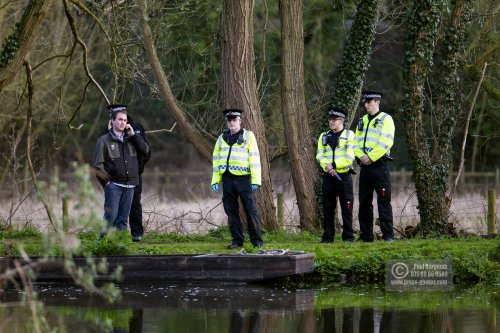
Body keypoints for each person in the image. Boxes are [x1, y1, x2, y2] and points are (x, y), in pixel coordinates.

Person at [93, 104, 150, 236]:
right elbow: (98, 165)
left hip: (131, 183)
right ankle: (102, 245)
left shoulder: (132, 136)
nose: (122, 122)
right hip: (114, 184)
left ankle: (121, 246)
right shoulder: (104, 139)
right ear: (112, 120)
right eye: (119, 119)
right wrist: (107, 183)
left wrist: (134, 136)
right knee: (110, 217)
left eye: (124, 120)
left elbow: (145, 151)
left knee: (123, 220)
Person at [211, 108, 264, 249]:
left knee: (250, 210)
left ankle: (257, 241)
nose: (232, 122)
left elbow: (254, 158)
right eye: (229, 120)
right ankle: (237, 240)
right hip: (227, 179)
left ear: (240, 121)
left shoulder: (248, 136)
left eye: (234, 120)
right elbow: (216, 160)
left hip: (244, 179)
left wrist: (256, 180)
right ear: (226, 122)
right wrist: (215, 180)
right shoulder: (222, 138)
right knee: (231, 211)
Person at [354, 91, 395, 242]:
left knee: (383, 201)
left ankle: (388, 235)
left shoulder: (386, 119)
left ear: (377, 102)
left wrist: (370, 157)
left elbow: (386, 142)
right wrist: (361, 157)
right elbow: (355, 142)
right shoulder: (362, 120)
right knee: (364, 202)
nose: (366, 105)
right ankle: (366, 236)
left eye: (369, 102)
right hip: (364, 167)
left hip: (380, 166)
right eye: (365, 102)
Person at [316, 106, 356, 243]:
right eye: (330, 119)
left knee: (347, 207)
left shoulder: (349, 135)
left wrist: (333, 165)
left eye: (335, 119)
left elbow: (350, 156)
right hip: (328, 177)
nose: (331, 122)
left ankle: (348, 237)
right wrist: (327, 167)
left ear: (342, 120)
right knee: (328, 207)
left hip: (343, 176)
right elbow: (320, 155)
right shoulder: (323, 136)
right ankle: (328, 237)